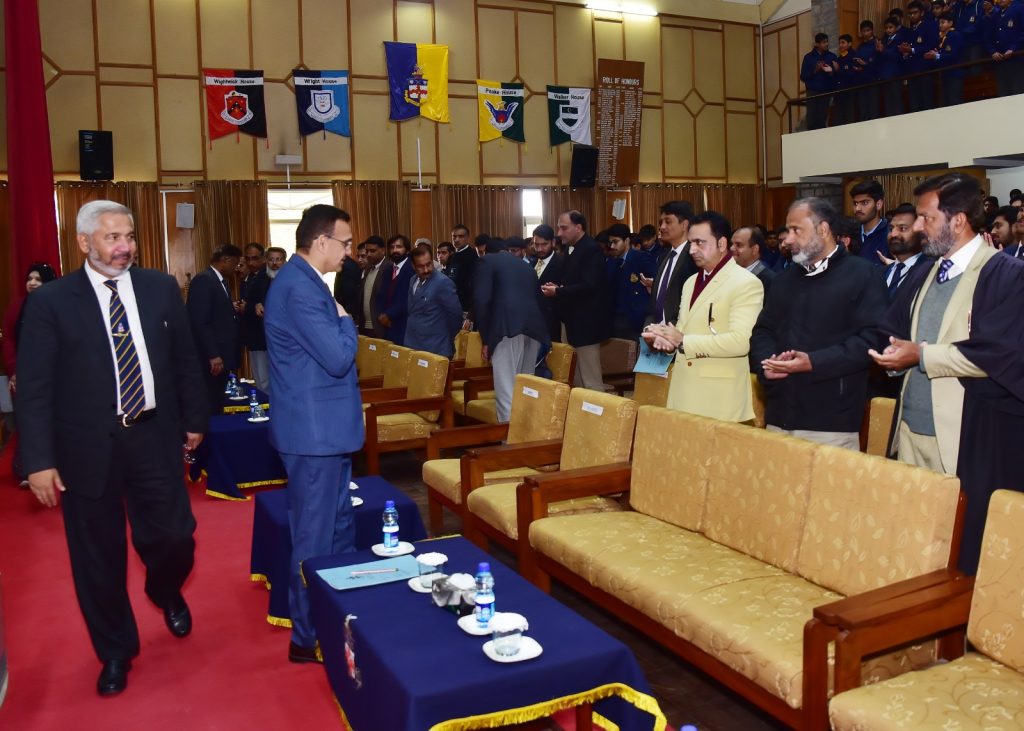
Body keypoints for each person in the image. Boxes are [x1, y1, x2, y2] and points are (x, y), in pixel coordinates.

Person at [17, 200, 207, 696]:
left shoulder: (160, 288)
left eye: (129, 236)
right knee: (97, 558)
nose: (125, 247)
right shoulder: (51, 303)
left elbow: (185, 359)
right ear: (84, 243)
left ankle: (165, 588)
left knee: (175, 537)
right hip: (85, 448)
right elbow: (34, 388)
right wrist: (38, 460)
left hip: (153, 436)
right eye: (112, 238)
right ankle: (115, 651)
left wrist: (195, 419)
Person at [870, 173, 1024, 575]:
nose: (918, 227)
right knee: (913, 544)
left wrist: (921, 355)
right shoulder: (925, 271)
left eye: (926, 218)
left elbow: (999, 354)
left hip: (966, 439)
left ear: (957, 220)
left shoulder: (1006, 275)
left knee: (960, 554)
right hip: (910, 433)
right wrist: (890, 356)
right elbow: (893, 331)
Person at [263, 204, 364, 663]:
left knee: (338, 530)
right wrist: (345, 321)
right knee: (315, 540)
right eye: (345, 243)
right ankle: (308, 637)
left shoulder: (306, 282)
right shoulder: (298, 288)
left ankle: (336, 618)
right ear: (321, 241)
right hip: (313, 434)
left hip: (326, 431)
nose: (349, 252)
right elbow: (338, 357)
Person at [749, 197, 888, 449]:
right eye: (788, 230)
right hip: (779, 413)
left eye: (796, 230)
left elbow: (872, 340)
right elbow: (763, 331)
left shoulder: (863, 274)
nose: (787, 239)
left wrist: (814, 362)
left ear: (823, 230)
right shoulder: (783, 280)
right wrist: (767, 365)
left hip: (831, 420)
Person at [643, 211, 763, 422]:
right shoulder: (690, 282)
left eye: (700, 242)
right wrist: (664, 339)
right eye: (691, 243)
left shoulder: (745, 282)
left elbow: (740, 342)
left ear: (722, 244)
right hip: (684, 389)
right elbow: (683, 330)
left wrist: (682, 341)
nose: (692, 250)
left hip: (718, 397)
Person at [474, 237, 551, 423]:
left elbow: (481, 301)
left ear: (486, 252)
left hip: (505, 330)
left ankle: (508, 438)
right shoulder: (525, 266)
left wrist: (486, 339)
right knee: (525, 387)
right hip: (534, 330)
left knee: (506, 389)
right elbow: (540, 302)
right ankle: (526, 432)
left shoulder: (486, 261)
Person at [2, 262, 58, 483]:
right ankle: (27, 468)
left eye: (38, 279)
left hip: (54, 374)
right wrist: (14, 371)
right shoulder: (17, 308)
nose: (32, 283)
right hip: (24, 374)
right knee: (28, 422)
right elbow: (8, 340)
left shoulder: (59, 307)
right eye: (29, 279)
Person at [542, 211, 609, 390]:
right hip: (570, 320)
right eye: (559, 228)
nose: (559, 233)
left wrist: (558, 291)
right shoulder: (569, 249)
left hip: (586, 323)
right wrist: (557, 287)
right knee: (575, 375)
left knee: (590, 377)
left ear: (578, 227)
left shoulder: (592, 249)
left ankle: (596, 407)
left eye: (564, 228)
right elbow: (572, 281)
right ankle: (579, 406)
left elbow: (589, 285)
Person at [186, 244, 242, 414]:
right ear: (225, 260)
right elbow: (199, 321)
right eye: (235, 263)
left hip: (222, 352)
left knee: (217, 399)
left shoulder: (219, 281)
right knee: (211, 400)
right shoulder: (204, 280)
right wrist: (213, 354)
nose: (236, 268)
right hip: (213, 356)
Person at [644, 201, 699, 327]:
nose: (662, 227)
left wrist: (671, 331)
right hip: (656, 330)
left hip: (679, 331)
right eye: (661, 223)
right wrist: (648, 327)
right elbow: (654, 302)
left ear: (684, 225)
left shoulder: (694, 256)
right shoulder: (664, 255)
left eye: (668, 222)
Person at [403, 245, 463, 358]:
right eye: (421, 266)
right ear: (413, 266)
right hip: (412, 345)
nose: (426, 270)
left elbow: (456, 316)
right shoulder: (412, 280)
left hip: (435, 349)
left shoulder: (443, 282)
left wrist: (446, 338)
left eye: (429, 264)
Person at [605, 223, 657, 342]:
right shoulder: (611, 262)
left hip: (636, 319)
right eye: (610, 242)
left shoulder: (641, 258)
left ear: (627, 241)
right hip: (616, 317)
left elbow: (654, 280)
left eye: (615, 242)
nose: (612, 246)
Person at [240, 243, 271, 392]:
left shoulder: (269, 276)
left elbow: (266, 305)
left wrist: (249, 307)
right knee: (259, 380)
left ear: (263, 258)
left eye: (255, 258)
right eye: (248, 259)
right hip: (253, 336)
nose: (251, 262)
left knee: (265, 381)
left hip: (264, 337)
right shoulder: (250, 276)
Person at [375, 234, 413, 344]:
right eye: (392, 247)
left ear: (407, 250)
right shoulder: (388, 269)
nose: (395, 250)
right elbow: (380, 295)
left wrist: (388, 315)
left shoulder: (412, 269)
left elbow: (409, 298)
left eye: (399, 247)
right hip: (386, 325)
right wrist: (381, 315)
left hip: (404, 324)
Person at [531, 223, 564, 344]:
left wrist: (558, 291)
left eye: (544, 244)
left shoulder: (562, 263)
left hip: (553, 324)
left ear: (553, 242)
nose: (539, 249)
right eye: (536, 244)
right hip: (533, 323)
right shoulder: (532, 262)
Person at [800, 33, 838, 129]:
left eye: (827, 41)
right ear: (817, 44)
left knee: (822, 119)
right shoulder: (808, 57)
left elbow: (836, 76)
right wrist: (815, 70)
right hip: (812, 92)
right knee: (811, 119)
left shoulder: (831, 56)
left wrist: (832, 71)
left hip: (826, 91)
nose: (826, 44)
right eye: (824, 42)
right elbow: (803, 77)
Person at [850, 179, 890, 265]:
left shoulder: (890, 235)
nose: (857, 208)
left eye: (864, 203)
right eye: (855, 203)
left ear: (878, 204)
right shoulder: (850, 233)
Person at [730, 226, 776, 292]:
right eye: (732, 244)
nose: (731, 248)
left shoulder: (769, 280)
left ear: (755, 249)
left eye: (738, 245)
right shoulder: (730, 274)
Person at [447, 224, 477, 319]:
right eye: (454, 236)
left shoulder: (472, 255)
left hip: (466, 307)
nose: (456, 239)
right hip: (452, 303)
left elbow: (474, 284)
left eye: (460, 236)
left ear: (467, 238)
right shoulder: (452, 257)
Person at [359, 236, 386, 336]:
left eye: (373, 251)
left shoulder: (389, 268)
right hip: (365, 325)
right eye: (367, 251)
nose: (369, 254)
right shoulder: (367, 269)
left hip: (380, 326)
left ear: (383, 251)